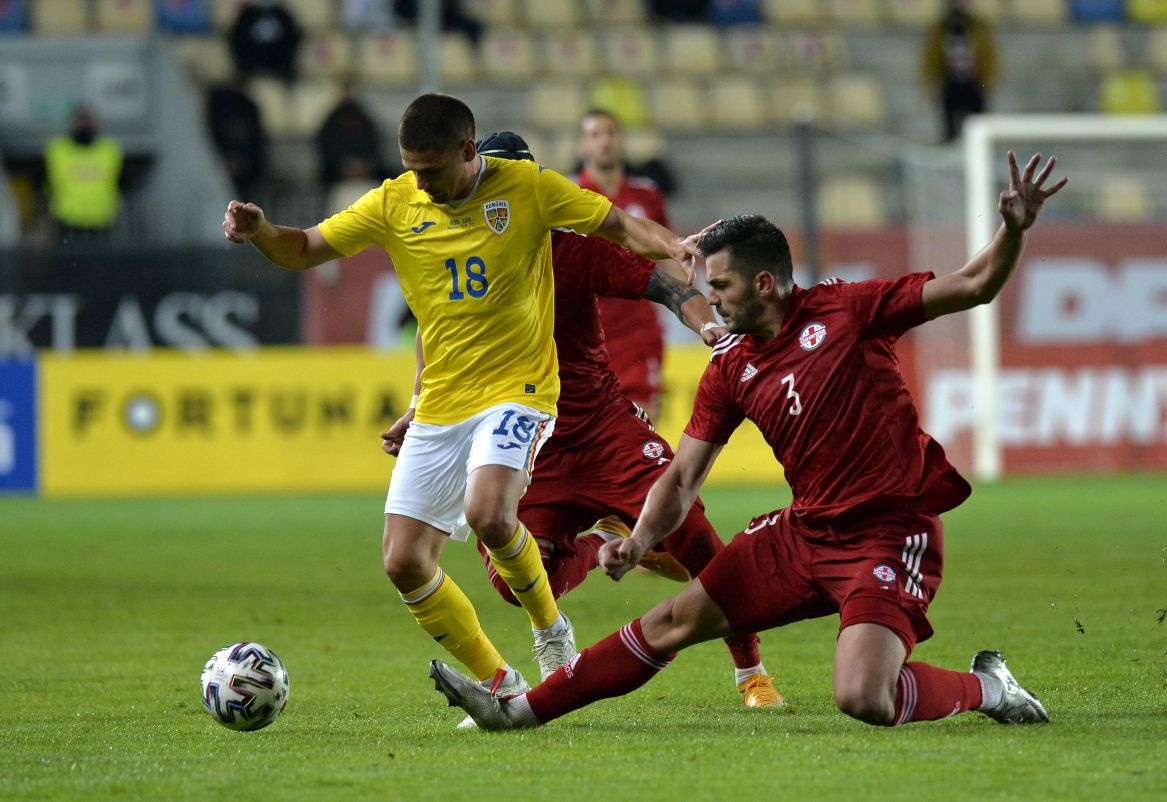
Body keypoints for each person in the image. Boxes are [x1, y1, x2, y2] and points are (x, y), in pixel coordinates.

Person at [430, 151, 1068, 731]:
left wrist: (1012, 229)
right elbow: (681, 479)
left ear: (764, 284)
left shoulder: (849, 311)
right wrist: (637, 544)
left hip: (888, 532)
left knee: (864, 697)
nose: (712, 300)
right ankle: (519, 712)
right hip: (803, 534)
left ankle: (987, 688)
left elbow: (975, 285)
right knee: (670, 620)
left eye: (722, 287)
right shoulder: (731, 367)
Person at [223, 93, 701, 701]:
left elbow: (618, 223)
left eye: (429, 169)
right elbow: (304, 248)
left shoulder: (525, 186)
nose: (418, 180)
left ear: (468, 151)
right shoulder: (395, 201)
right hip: (444, 403)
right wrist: (262, 230)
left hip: (519, 389)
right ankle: (499, 682)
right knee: (403, 561)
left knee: (488, 513)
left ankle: (550, 628)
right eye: (409, 167)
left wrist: (673, 245)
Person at [450, 132, 784, 709]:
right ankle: (608, 534)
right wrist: (417, 408)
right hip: (530, 444)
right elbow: (440, 338)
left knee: (696, 538)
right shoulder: (461, 261)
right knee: (517, 582)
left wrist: (706, 326)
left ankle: (751, 672)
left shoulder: (570, 250)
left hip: (604, 430)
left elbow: (665, 284)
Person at [574, 109, 675, 422]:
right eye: (595, 134)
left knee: (644, 431)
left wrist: (694, 303)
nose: (604, 141)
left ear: (622, 141)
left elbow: (669, 254)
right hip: (587, 335)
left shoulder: (647, 195)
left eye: (611, 133)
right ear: (582, 146)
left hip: (639, 333)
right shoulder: (569, 197)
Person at [920, 0, 997, 143]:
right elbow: (931, 59)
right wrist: (930, 85)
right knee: (949, 126)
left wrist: (988, 80)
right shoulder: (939, 29)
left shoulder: (979, 27)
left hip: (973, 84)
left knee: (977, 124)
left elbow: (988, 56)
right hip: (949, 84)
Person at [44, 105, 123, 241]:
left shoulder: (109, 149)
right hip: (67, 219)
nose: (84, 125)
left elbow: (121, 181)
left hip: (101, 219)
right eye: (81, 120)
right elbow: (47, 182)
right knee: (70, 260)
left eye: (87, 120)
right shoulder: (58, 149)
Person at [206, 71, 267, 200]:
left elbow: (257, 145)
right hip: (217, 170)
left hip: (247, 177)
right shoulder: (216, 105)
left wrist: (245, 164)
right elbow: (209, 136)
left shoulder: (250, 108)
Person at [316, 78, 384, 193]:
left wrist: (364, 165)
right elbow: (327, 147)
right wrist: (343, 165)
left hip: (364, 168)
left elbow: (373, 142)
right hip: (336, 170)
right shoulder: (331, 120)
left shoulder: (364, 117)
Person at [228, 0, 302, 83]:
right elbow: (238, 40)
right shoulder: (247, 15)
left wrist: (284, 63)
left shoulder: (282, 14)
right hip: (251, 69)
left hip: (279, 69)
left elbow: (292, 40)